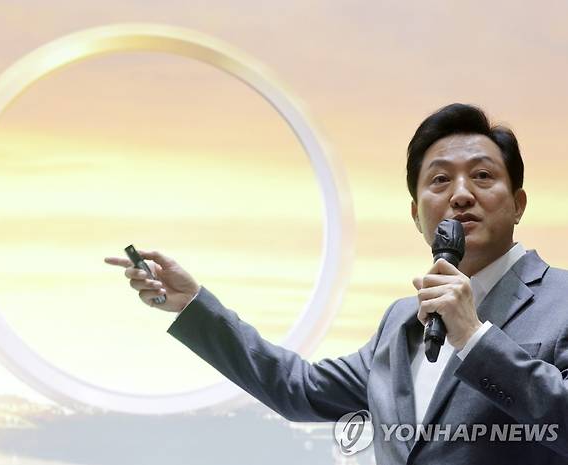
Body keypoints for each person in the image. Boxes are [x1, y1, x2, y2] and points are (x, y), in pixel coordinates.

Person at [105, 103, 568, 465]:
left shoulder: (560, 301)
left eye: (482, 176)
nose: (461, 194)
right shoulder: (401, 323)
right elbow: (297, 388)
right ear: (416, 214)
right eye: (440, 180)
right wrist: (193, 305)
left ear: (518, 203)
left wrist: (473, 338)